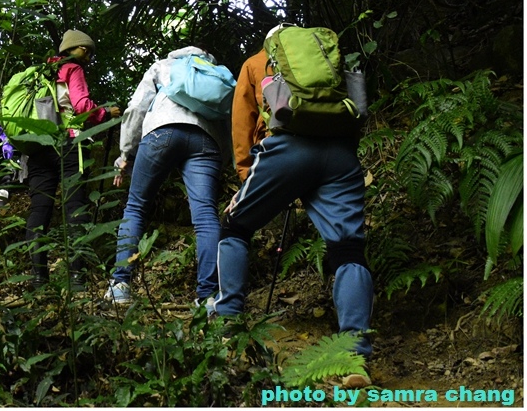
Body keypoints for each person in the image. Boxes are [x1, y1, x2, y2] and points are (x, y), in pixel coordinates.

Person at [214, 39, 374, 389]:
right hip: (341, 154)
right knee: (348, 249)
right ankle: (355, 356)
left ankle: (227, 326)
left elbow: (243, 121)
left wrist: (245, 179)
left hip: (288, 149)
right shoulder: (329, 63)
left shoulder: (259, 61)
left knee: (235, 227)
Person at [106, 47, 231, 307]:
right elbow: (227, 119)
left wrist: (126, 152)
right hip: (206, 140)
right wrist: (224, 158)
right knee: (206, 217)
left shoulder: (164, 65)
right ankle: (207, 297)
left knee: (136, 207)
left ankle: (120, 285)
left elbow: (137, 107)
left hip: (161, 132)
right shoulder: (216, 74)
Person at [25, 29, 121, 288]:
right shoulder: (73, 69)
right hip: (67, 143)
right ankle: (77, 277)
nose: (87, 54)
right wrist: (105, 113)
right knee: (75, 207)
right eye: (84, 49)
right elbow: (81, 107)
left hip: (37, 145)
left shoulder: (40, 73)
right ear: (69, 50)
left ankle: (38, 278)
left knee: (39, 209)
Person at [231, 49, 269, 182]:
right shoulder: (319, 59)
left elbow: (243, 120)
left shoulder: (254, 63)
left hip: (276, 144)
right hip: (328, 143)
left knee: (266, 201)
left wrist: (245, 170)